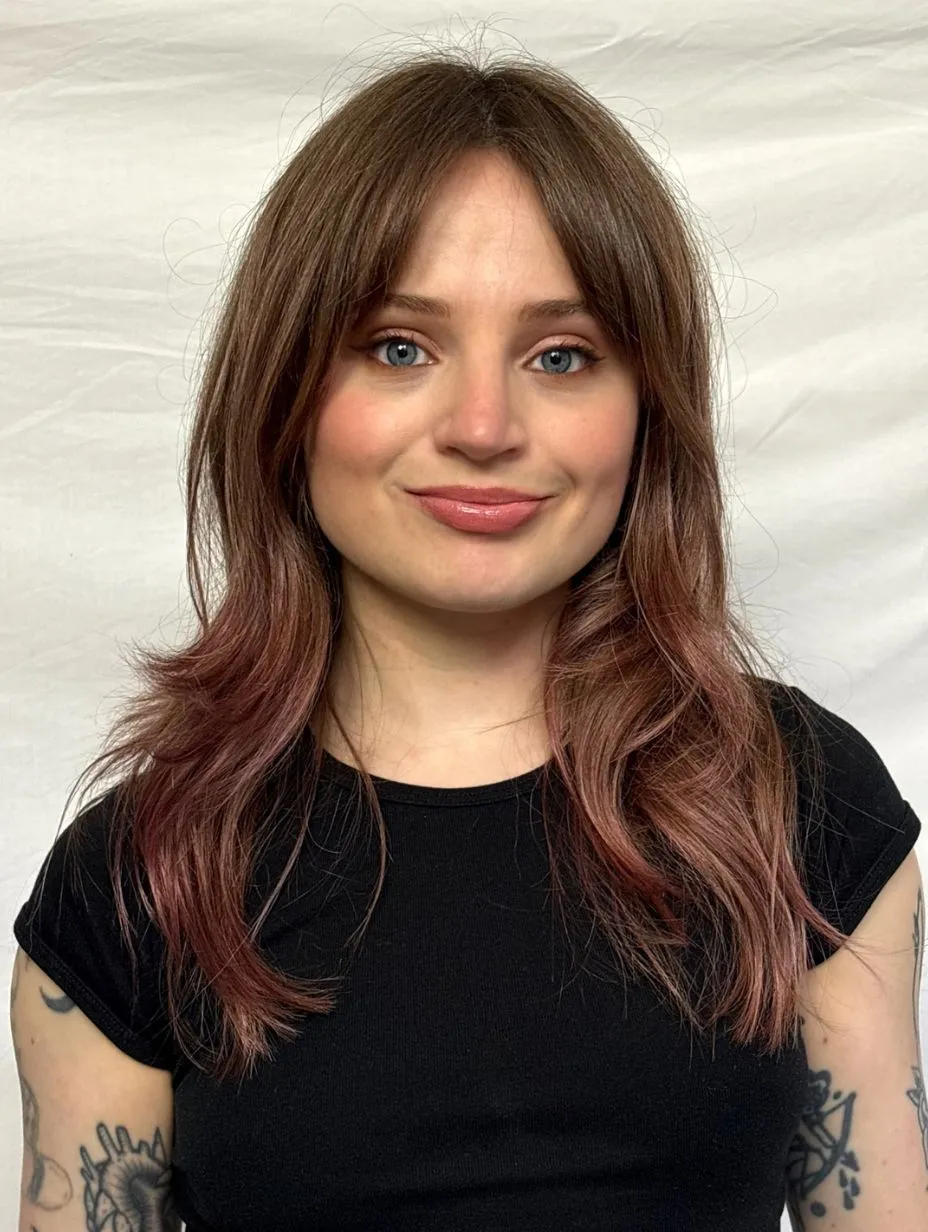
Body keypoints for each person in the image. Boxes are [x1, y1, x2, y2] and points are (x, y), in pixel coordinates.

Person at [10, 48, 927, 1232]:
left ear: (646, 410)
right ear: (285, 395)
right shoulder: (139, 876)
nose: (484, 426)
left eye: (561, 355)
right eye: (400, 346)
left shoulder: (796, 797)